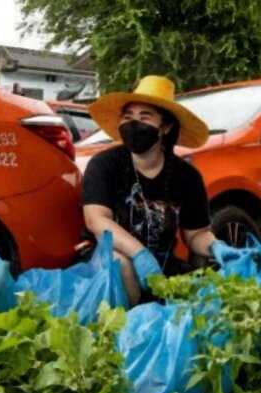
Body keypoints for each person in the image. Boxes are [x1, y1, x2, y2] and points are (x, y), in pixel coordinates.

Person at [83, 75, 242, 306]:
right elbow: (96, 220)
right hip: (105, 263)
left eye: (144, 117)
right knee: (122, 264)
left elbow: (195, 234)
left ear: (165, 127)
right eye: (128, 117)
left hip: (164, 267)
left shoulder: (186, 176)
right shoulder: (105, 165)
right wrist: (139, 254)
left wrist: (216, 247)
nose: (134, 124)